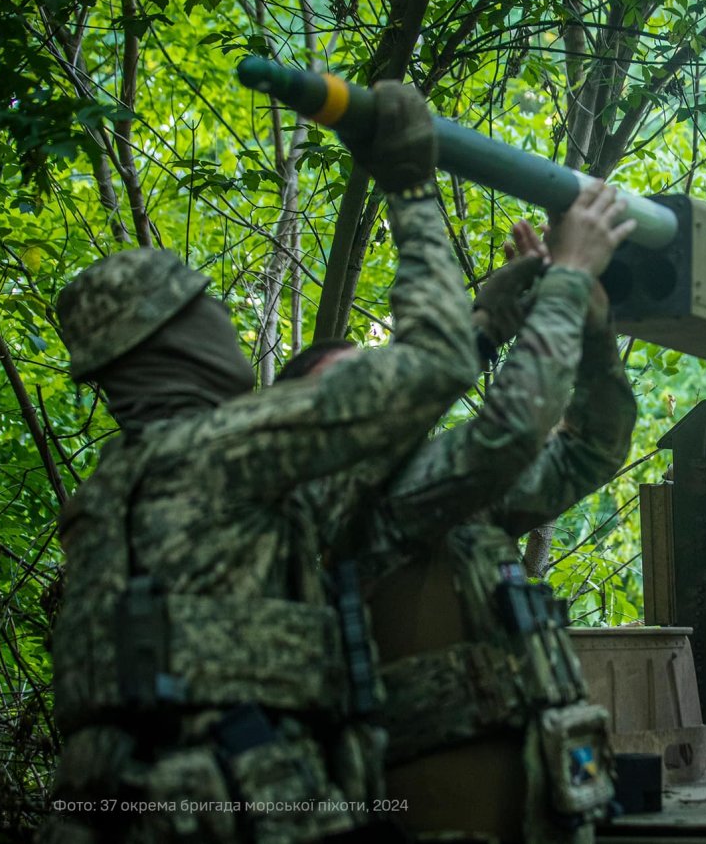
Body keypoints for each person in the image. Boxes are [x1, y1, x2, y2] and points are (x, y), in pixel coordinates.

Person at [41, 82, 479, 843]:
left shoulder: (120, 484)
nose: (225, 326)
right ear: (175, 339)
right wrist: (410, 184)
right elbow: (436, 364)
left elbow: (346, 480)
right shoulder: (221, 450)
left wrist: (500, 309)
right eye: (205, 311)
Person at [280, 183, 638, 843]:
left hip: (544, 810)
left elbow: (593, 447)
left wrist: (588, 327)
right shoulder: (339, 509)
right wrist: (559, 284)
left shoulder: (449, 496)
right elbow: (512, 430)